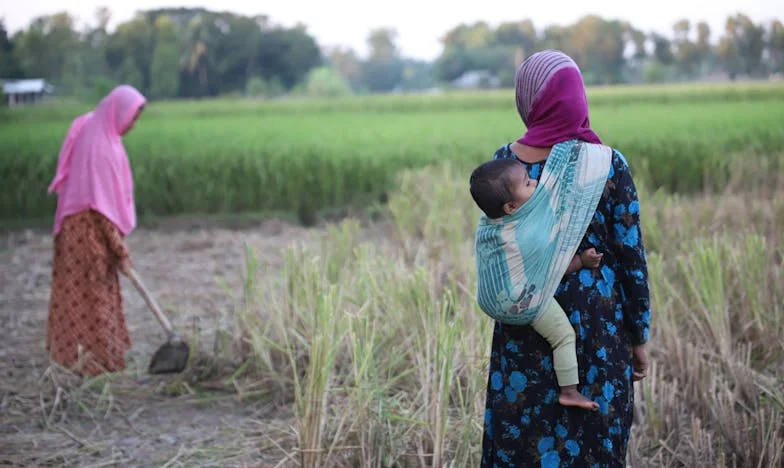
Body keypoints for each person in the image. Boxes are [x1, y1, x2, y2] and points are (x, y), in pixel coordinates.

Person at [480, 50, 651, 467]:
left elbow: (502, 243)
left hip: (527, 316)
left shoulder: (505, 164)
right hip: (598, 324)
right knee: (594, 444)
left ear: (528, 101)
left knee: (523, 443)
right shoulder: (608, 163)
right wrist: (639, 335)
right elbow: (631, 256)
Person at [470, 155, 607, 411]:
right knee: (564, 336)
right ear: (511, 207)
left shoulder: (489, 225)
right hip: (518, 302)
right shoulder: (527, 236)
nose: (535, 183)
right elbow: (551, 269)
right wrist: (581, 261)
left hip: (489, 299)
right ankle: (569, 391)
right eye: (528, 183)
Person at [45, 85, 147, 376]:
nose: (132, 124)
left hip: (77, 231)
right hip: (87, 236)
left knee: (84, 296)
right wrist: (120, 251)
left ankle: (79, 362)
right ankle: (96, 365)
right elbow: (99, 208)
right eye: (132, 116)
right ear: (118, 111)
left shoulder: (99, 133)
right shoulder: (100, 149)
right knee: (92, 297)